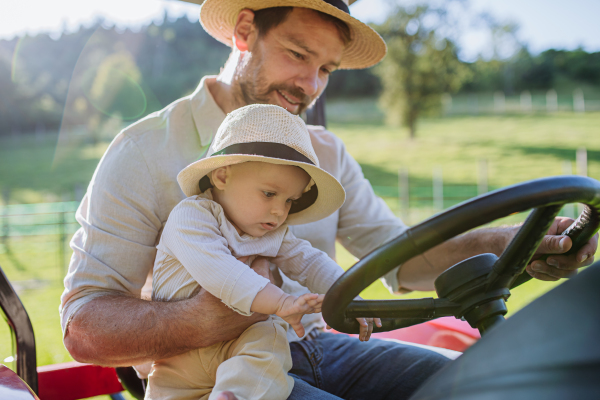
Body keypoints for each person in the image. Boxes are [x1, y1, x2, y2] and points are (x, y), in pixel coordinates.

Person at [60, 1, 598, 399]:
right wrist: (216, 315)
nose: (309, 85)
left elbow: (400, 258)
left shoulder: (322, 153)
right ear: (246, 31)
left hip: (323, 344)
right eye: (298, 54)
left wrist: (516, 242)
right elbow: (84, 326)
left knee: (474, 387)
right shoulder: (146, 149)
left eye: (326, 70)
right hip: (210, 373)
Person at [147, 104, 380, 400]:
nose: (279, 211)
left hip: (240, 351)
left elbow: (310, 263)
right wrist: (281, 302)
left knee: (270, 336)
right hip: (179, 363)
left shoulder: (273, 232)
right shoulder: (191, 218)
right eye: (270, 193)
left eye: (289, 201)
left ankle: (236, 396)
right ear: (221, 176)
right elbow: (221, 272)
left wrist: (350, 298)